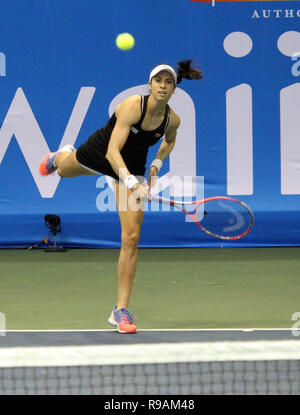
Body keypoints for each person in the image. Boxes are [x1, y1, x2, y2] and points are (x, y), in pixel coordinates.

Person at [39, 59, 203, 333]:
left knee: (131, 237)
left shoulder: (172, 119)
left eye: (168, 82)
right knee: (64, 171)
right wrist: (130, 182)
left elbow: (169, 141)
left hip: (135, 164)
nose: (163, 86)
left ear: (174, 88)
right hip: (103, 151)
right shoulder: (131, 105)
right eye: (158, 81)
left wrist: (155, 165)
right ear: (150, 85)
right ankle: (60, 155)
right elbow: (113, 152)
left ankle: (120, 310)